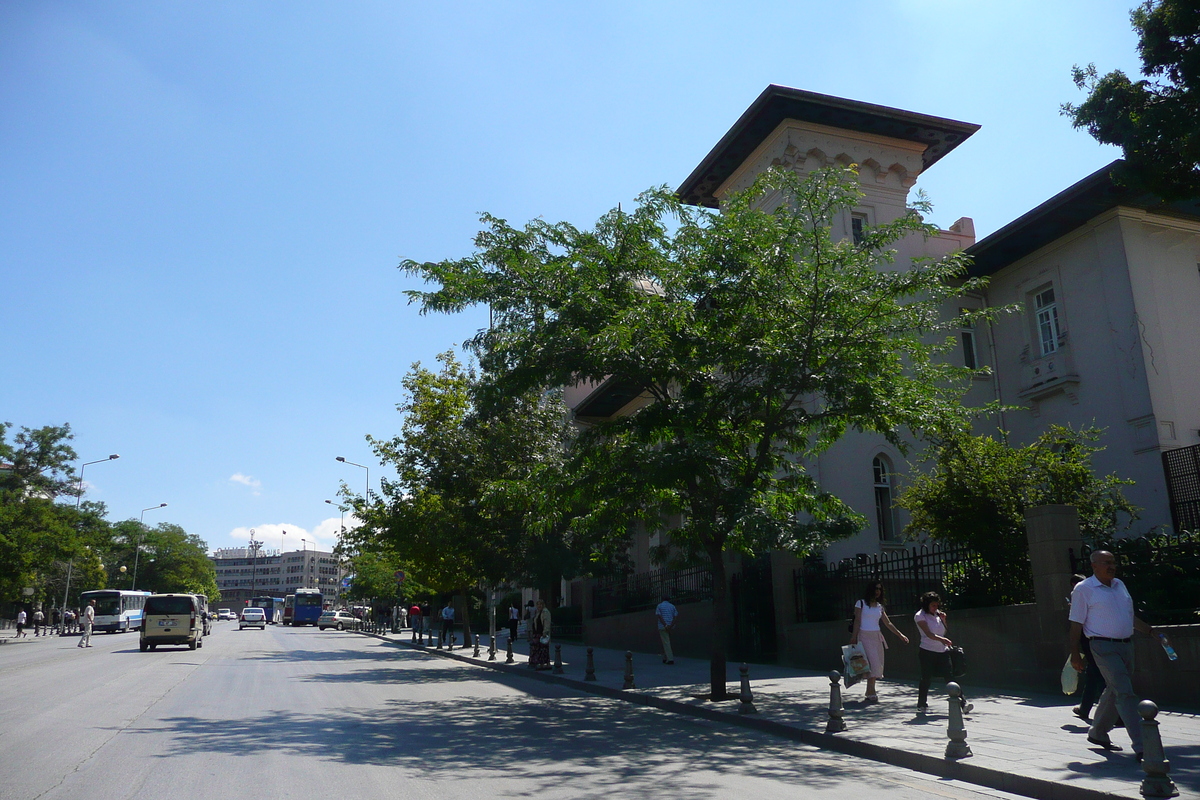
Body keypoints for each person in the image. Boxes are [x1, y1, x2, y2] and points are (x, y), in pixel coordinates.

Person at [1069, 549, 1158, 760]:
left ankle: (1098, 733)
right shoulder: (1084, 589)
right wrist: (1074, 654)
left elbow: (1129, 617)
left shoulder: (1120, 585)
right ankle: (1144, 747)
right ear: (1094, 566)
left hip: (1126, 646)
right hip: (1102, 646)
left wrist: (1151, 631)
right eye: (1106, 562)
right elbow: (1075, 625)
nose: (1111, 566)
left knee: (1115, 689)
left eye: (1113, 562)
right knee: (1125, 693)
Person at [914, 592, 973, 715]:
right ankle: (922, 704)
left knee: (950, 677)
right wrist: (942, 640)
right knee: (926, 678)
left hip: (942, 651)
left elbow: (943, 631)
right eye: (933, 605)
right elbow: (929, 634)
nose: (936, 608)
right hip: (927, 651)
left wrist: (944, 620)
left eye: (937, 605)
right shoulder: (920, 616)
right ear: (926, 605)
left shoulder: (937, 615)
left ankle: (963, 703)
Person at [849, 581, 909, 702]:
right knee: (872, 663)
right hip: (864, 636)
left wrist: (900, 635)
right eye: (876, 588)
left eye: (880, 589)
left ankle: (869, 690)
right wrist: (854, 637)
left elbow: (888, 623)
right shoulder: (860, 603)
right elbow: (857, 621)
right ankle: (872, 692)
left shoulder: (879, 606)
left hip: (876, 636)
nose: (877, 591)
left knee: (877, 664)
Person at [1068, 574, 1107, 724]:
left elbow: (1076, 622)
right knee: (1095, 673)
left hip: (1090, 638)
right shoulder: (1096, 590)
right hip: (1096, 638)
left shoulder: (1079, 592)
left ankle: (1112, 711)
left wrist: (1075, 650)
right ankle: (1085, 708)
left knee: (1098, 674)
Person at [528, 598, 552, 670]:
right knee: (538, 649)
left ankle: (546, 663)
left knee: (544, 649)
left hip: (542, 633)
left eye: (540, 604)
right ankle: (540, 663)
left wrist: (545, 632)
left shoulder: (545, 612)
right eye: (538, 604)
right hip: (537, 633)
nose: (539, 606)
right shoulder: (538, 613)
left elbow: (547, 623)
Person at [656, 594, 678, 665]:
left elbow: (659, 616)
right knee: (667, 641)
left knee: (666, 642)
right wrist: (671, 625)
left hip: (662, 626)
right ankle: (665, 657)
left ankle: (670, 659)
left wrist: (665, 625)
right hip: (671, 626)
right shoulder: (672, 606)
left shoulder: (659, 606)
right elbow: (675, 616)